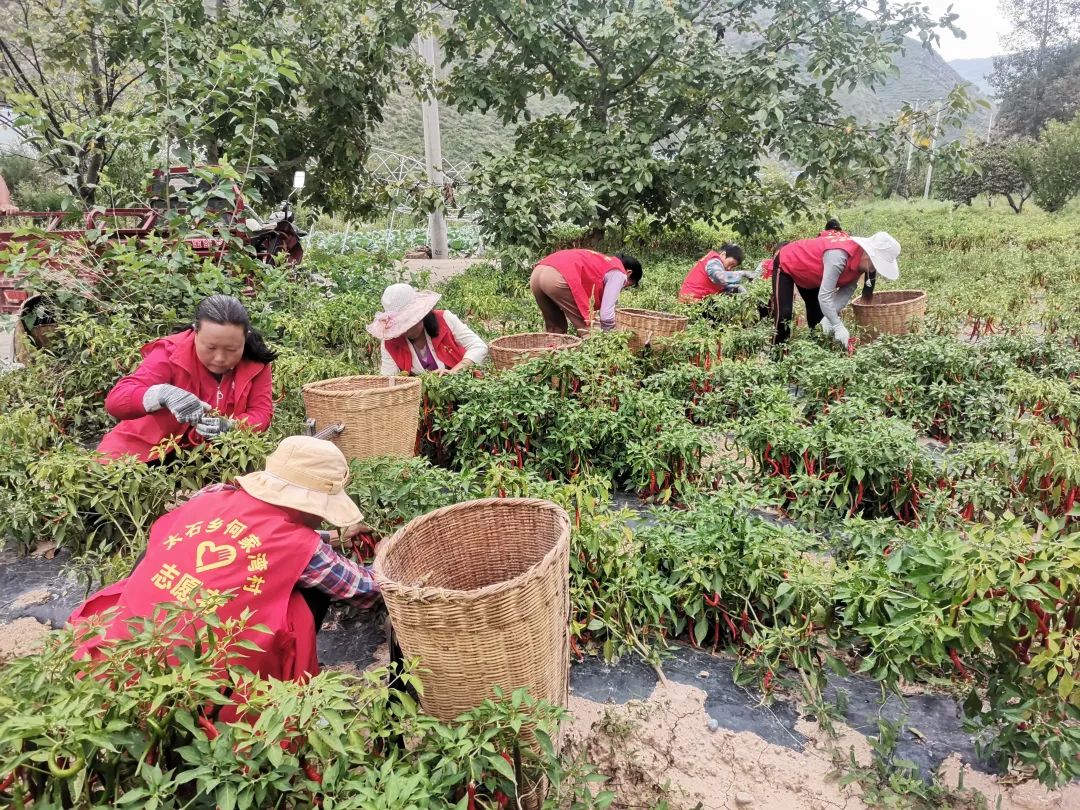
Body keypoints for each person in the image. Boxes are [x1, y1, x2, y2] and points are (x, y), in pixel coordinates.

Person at [69, 436, 379, 686]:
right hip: (204, 673)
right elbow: (366, 589)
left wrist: (329, 539)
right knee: (303, 598)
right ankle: (279, 682)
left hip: (128, 639)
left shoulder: (213, 494)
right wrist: (384, 556)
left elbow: (251, 535)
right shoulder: (303, 548)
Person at [97, 294, 276, 463]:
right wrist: (162, 394)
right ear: (195, 333)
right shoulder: (170, 352)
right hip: (146, 451)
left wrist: (231, 426)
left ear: (245, 339)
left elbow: (261, 413)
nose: (220, 358)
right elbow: (116, 400)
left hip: (215, 455)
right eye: (211, 348)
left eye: (232, 350)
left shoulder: (256, 361)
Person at [770, 231, 900, 347]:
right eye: (875, 264)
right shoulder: (838, 255)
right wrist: (837, 325)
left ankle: (816, 356)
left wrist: (829, 319)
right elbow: (825, 296)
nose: (874, 270)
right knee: (784, 315)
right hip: (788, 262)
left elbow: (846, 292)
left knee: (819, 319)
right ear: (868, 255)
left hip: (813, 274)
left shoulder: (861, 263)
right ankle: (776, 358)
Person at [368, 283, 488, 375]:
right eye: (400, 326)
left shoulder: (444, 319)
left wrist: (455, 371)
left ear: (422, 315)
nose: (405, 331)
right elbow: (390, 381)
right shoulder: (390, 343)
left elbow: (479, 346)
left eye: (410, 323)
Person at [530, 249, 643, 335]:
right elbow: (606, 316)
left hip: (538, 272)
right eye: (629, 284)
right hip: (558, 276)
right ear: (628, 273)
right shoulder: (618, 272)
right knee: (589, 329)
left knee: (555, 329)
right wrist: (613, 336)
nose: (623, 287)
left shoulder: (603, 261)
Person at [678, 243, 747, 302]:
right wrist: (743, 274)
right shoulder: (714, 261)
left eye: (733, 267)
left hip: (700, 300)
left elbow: (726, 286)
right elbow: (718, 277)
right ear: (723, 254)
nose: (729, 268)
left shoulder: (723, 268)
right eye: (730, 263)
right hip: (692, 299)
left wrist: (738, 288)